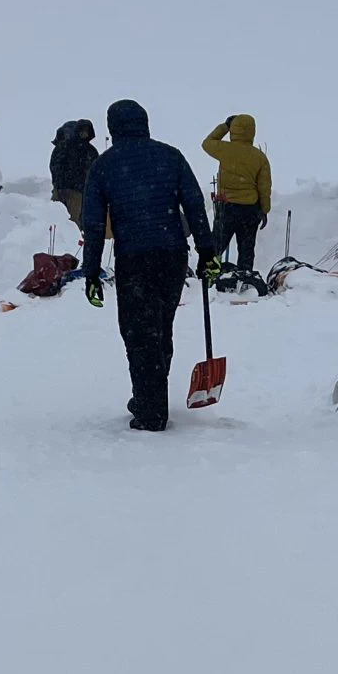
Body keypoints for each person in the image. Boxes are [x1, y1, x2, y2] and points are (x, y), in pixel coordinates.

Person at [79, 99, 217, 431]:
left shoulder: (104, 166)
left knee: (137, 332)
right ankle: (149, 395)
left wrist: (92, 271)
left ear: (112, 128)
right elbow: (195, 206)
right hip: (171, 255)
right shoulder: (170, 156)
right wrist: (207, 252)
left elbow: (94, 225)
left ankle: (151, 408)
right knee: (159, 327)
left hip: (134, 258)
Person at [202, 114, 273, 273]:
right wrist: (264, 210)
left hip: (227, 207)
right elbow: (264, 187)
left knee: (216, 247)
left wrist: (224, 127)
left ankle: (209, 278)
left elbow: (206, 143)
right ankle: (244, 279)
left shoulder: (224, 149)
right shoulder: (260, 158)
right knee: (247, 249)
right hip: (250, 210)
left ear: (234, 129)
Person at [49, 118, 99, 226]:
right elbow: (54, 166)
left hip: (75, 192)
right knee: (59, 221)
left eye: (86, 130)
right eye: (82, 130)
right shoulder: (67, 147)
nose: (84, 133)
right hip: (66, 190)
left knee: (66, 222)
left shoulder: (90, 151)